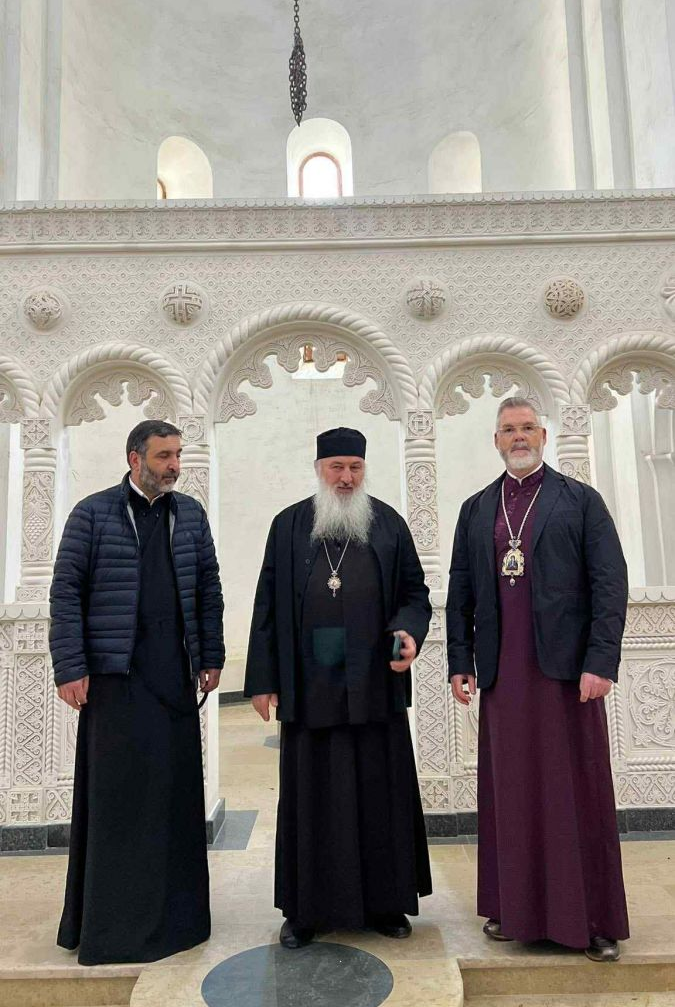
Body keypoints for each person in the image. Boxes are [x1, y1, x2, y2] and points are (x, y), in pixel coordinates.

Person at [446, 396, 629, 961]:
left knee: (576, 790)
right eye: (509, 430)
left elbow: (610, 582)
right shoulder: (477, 508)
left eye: (527, 428)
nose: (519, 437)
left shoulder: (580, 500)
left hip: (566, 675)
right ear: (496, 440)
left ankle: (592, 921)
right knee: (514, 793)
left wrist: (601, 661)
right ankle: (517, 913)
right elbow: (460, 591)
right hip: (504, 677)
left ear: (544, 436)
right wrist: (460, 662)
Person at [245, 426, 432, 949]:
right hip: (310, 688)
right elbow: (266, 605)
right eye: (337, 468)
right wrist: (262, 680)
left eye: (354, 467)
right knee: (312, 799)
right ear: (319, 470)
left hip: (374, 684)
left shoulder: (388, 524)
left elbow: (415, 594)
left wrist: (409, 632)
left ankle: (386, 903)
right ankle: (305, 911)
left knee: (379, 792)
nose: (346, 478)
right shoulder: (288, 526)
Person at [49, 420, 224, 965]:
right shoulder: (92, 514)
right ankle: (115, 927)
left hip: (172, 678)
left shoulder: (189, 514)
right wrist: (70, 667)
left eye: (178, 455)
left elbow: (209, 587)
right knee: (119, 802)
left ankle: (179, 921)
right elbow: (66, 592)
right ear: (135, 458)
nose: (174, 466)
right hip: (114, 682)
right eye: (164, 456)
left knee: (173, 798)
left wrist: (212, 656)